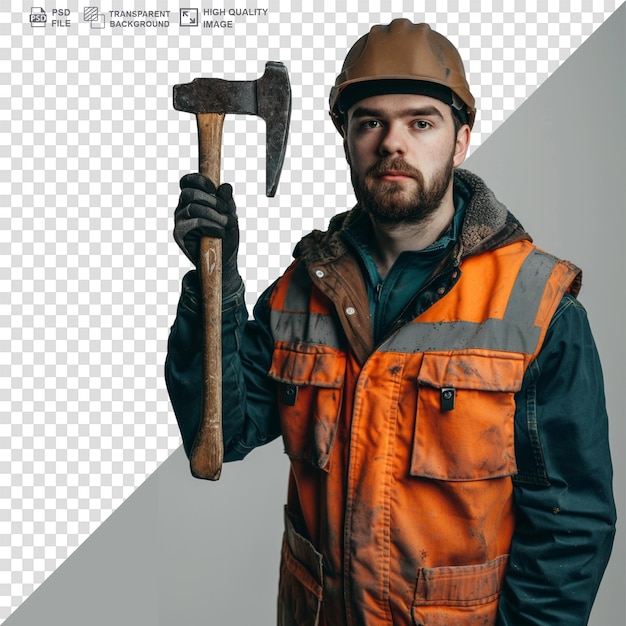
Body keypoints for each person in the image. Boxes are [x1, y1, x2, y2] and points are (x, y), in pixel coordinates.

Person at [165, 19, 616, 626]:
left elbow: (571, 526)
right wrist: (213, 283)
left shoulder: (535, 304)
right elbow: (217, 434)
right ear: (347, 139)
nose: (391, 143)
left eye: (420, 122)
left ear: (459, 140)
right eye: (370, 121)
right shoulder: (302, 289)